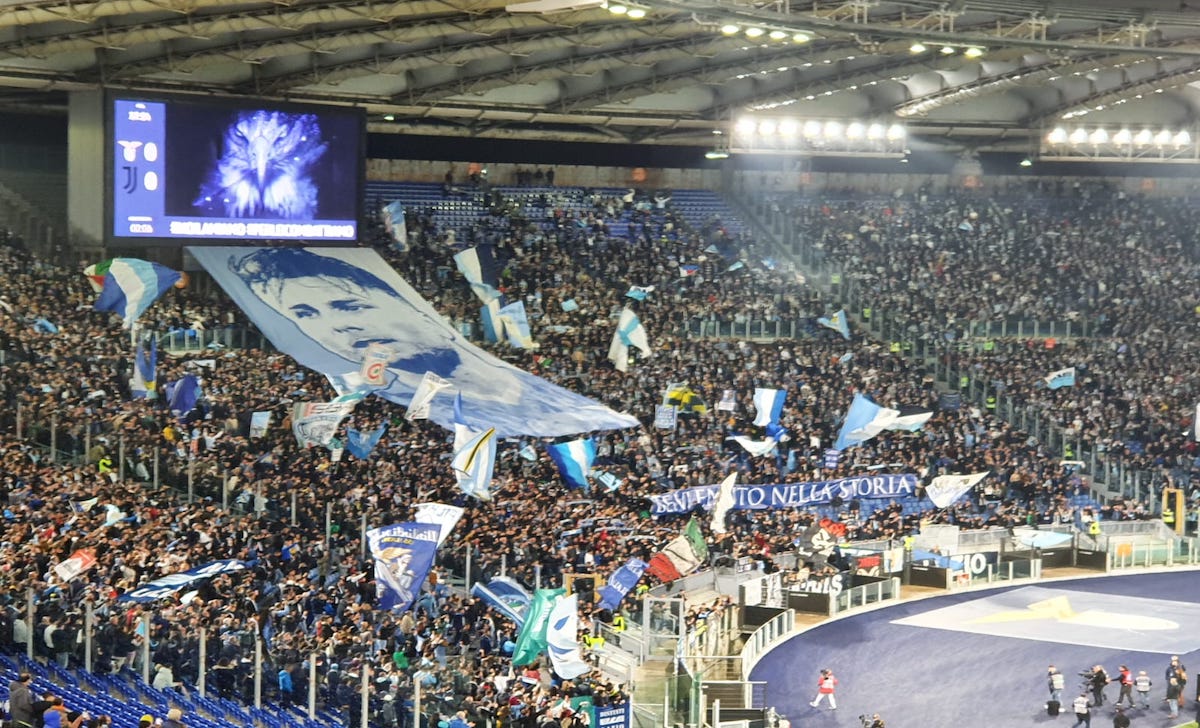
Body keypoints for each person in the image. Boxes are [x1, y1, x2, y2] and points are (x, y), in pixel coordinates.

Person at [222, 246, 635, 438]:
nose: (337, 327)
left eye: (348, 305)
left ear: (416, 308)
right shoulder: (405, 403)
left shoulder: (541, 396)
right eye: (306, 315)